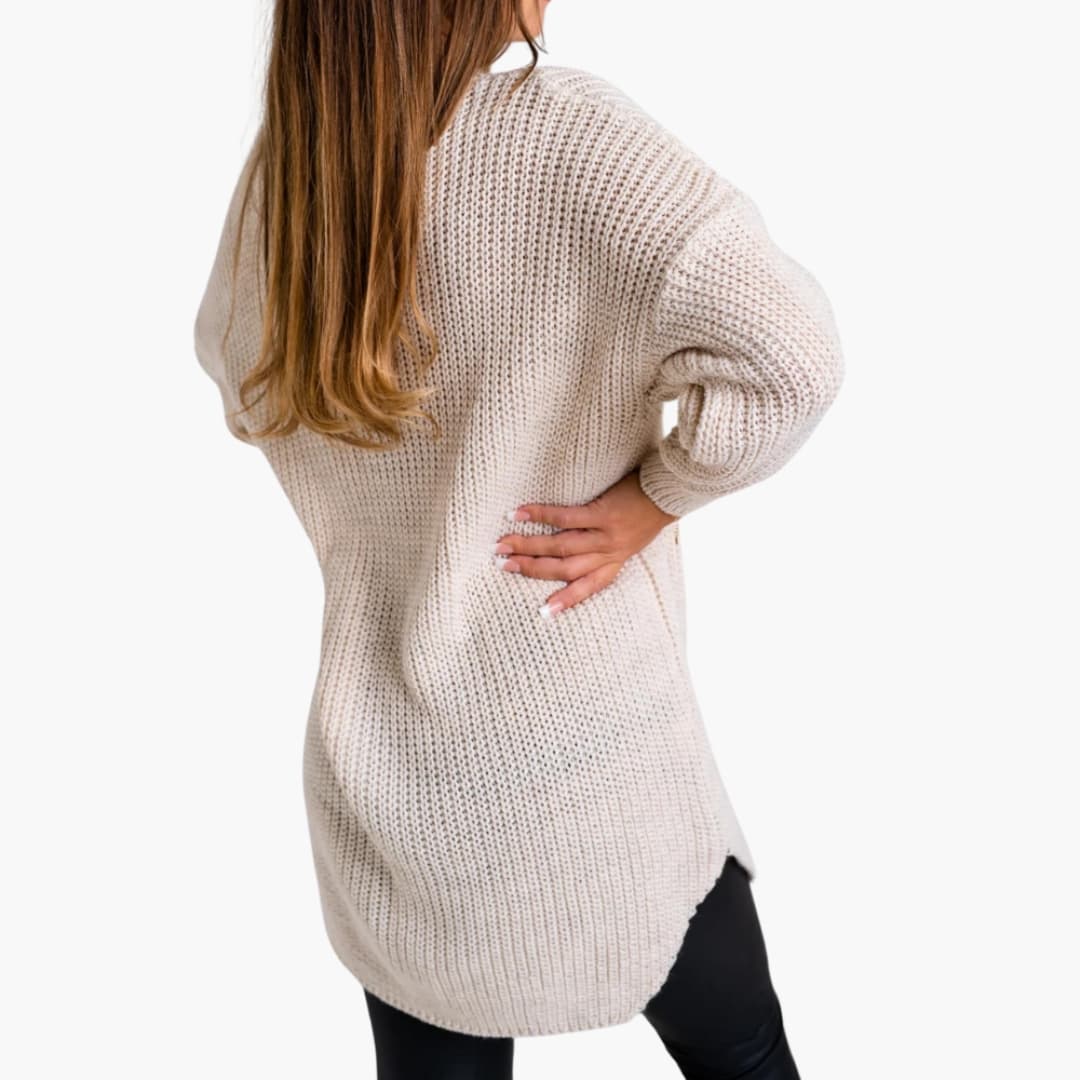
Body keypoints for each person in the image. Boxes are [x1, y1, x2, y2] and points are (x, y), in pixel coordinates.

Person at [193, 2, 843, 1077]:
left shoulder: (296, 178)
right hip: (592, 760)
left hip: (389, 776)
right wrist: (654, 497)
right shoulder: (568, 134)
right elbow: (791, 358)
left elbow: (237, 371)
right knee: (743, 1056)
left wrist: (396, 489)